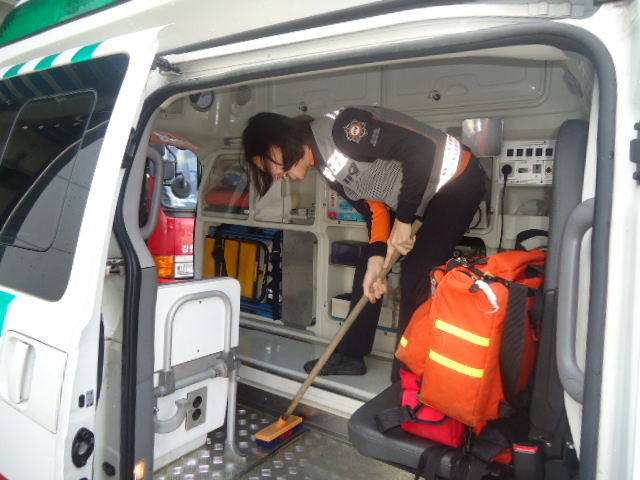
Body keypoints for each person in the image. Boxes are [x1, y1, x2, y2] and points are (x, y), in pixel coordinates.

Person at [242, 106, 486, 382]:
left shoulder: (344, 130)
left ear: (278, 144)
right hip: (421, 196)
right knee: (369, 267)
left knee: (417, 275)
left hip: (457, 182)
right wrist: (377, 256)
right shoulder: (324, 166)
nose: (276, 175)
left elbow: (421, 151)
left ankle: (408, 375)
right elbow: (374, 207)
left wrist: (404, 220)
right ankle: (351, 353)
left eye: (268, 166)